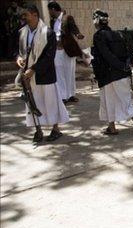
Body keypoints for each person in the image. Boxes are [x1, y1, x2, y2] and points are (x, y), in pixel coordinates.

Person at [17, 3, 69, 142]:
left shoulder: (48, 33)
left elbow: (49, 56)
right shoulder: (22, 32)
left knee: (50, 102)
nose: (24, 18)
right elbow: (20, 52)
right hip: (28, 76)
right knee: (33, 103)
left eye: (26, 15)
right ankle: (38, 130)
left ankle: (55, 129)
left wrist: (33, 69)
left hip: (44, 74)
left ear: (35, 15)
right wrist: (19, 59)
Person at [91, 9, 133, 135]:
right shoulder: (119, 34)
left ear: (96, 21)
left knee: (108, 101)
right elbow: (129, 52)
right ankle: (114, 125)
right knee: (123, 99)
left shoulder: (99, 36)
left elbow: (106, 55)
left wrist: (118, 66)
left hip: (108, 74)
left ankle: (118, 123)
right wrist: (125, 67)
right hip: (122, 73)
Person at [48, 1, 84, 104]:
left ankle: (71, 95)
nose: (49, 12)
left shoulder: (67, 17)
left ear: (53, 9)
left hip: (67, 49)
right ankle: (63, 96)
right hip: (57, 50)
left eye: (49, 10)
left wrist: (78, 34)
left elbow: (74, 28)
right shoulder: (52, 21)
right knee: (59, 72)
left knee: (70, 73)